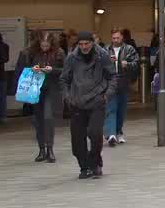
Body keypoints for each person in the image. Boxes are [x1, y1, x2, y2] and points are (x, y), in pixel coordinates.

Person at [60, 31, 116, 179]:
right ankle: (84, 167)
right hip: (77, 102)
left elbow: (112, 76)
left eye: (87, 43)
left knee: (95, 133)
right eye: (81, 44)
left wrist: (107, 94)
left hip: (97, 100)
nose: (84, 47)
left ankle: (95, 162)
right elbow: (64, 79)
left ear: (92, 43)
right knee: (77, 140)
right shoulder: (72, 57)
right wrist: (67, 97)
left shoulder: (101, 55)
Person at [27, 31, 64, 162]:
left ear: (51, 43)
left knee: (48, 118)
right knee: (38, 120)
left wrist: (52, 70)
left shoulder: (59, 53)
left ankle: (50, 148)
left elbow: (65, 70)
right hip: (37, 89)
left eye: (47, 45)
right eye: (42, 45)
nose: (44, 47)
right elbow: (25, 67)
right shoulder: (32, 52)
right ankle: (41, 149)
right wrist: (33, 68)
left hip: (51, 89)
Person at [105, 28, 138, 146]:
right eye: (113, 38)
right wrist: (108, 61)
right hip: (110, 82)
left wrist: (127, 64)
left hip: (124, 82)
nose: (115, 40)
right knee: (111, 108)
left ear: (122, 38)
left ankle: (118, 131)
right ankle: (111, 133)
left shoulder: (129, 49)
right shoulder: (106, 50)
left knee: (121, 109)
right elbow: (100, 64)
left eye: (117, 38)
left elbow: (136, 63)